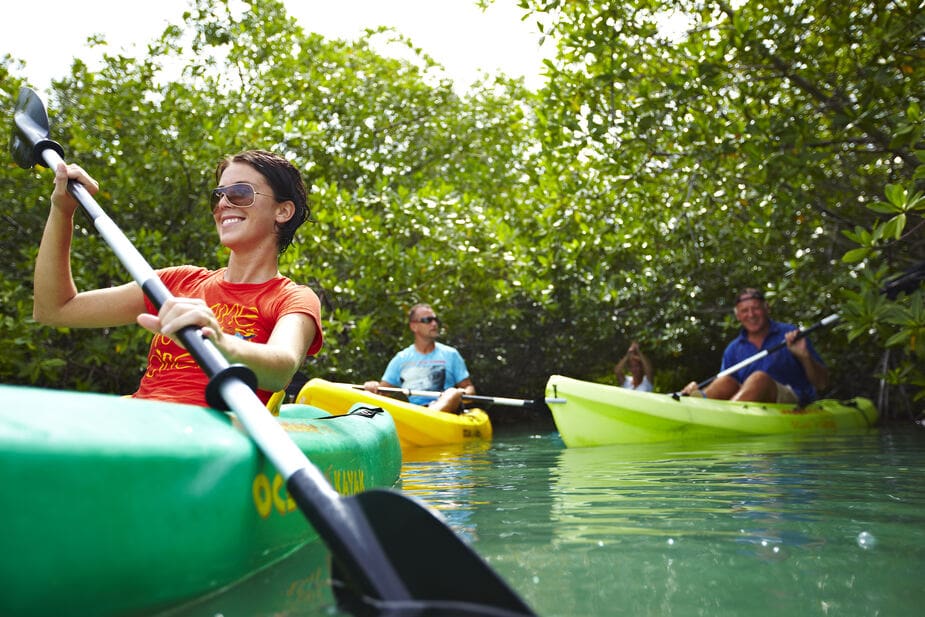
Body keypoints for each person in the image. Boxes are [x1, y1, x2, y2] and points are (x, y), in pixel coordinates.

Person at [33, 150, 323, 408]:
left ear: (283, 211)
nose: (223, 204)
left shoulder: (292, 298)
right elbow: (55, 308)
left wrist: (217, 342)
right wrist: (62, 210)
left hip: (208, 443)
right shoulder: (176, 283)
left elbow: (281, 368)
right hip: (145, 421)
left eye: (240, 193)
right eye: (218, 195)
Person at [680, 288, 829, 405]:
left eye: (756, 308)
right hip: (750, 405)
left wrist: (805, 357)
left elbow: (822, 384)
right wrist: (700, 391)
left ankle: (728, 417)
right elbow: (725, 386)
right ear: (738, 316)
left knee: (759, 378)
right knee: (725, 381)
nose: (751, 314)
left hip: (793, 402)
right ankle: (695, 401)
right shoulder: (733, 349)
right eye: (744, 311)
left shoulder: (791, 335)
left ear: (766, 308)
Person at [363, 304, 475, 413]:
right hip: (415, 414)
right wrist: (373, 386)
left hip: (446, 414)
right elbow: (382, 392)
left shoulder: (451, 354)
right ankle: (428, 417)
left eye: (436, 320)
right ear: (414, 326)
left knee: (452, 392)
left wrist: (462, 393)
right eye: (428, 320)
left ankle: (432, 414)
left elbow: (469, 388)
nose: (434, 324)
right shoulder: (401, 358)